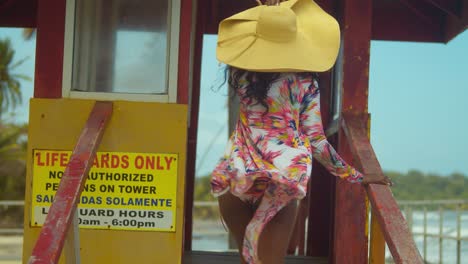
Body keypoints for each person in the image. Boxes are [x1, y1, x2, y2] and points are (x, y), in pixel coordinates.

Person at [210, 0, 392, 263]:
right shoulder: (306, 85)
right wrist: (356, 176)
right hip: (278, 186)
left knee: (249, 260)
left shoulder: (245, 78)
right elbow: (316, 142)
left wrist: (268, 11)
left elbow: (261, 37)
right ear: (297, 42)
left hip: (236, 181)